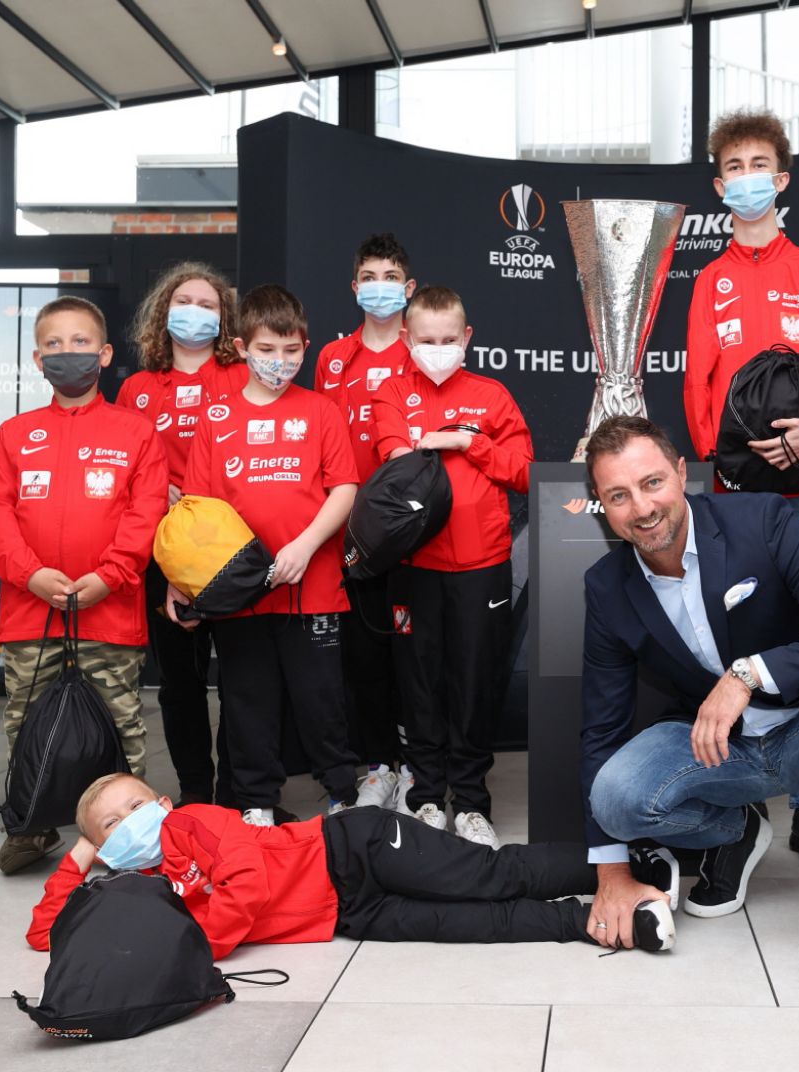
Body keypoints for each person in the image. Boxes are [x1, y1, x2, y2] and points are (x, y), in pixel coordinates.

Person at [579, 416, 799, 990]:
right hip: (719, 752)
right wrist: (610, 869)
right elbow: (601, 728)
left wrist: (748, 673)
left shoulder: (761, 520)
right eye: (619, 496)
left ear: (681, 474)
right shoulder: (607, 587)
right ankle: (737, 831)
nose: (643, 508)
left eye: (653, 483)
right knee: (615, 796)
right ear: (602, 505)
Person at [683, 108, 799, 863]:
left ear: (781, 178)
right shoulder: (710, 281)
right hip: (740, 502)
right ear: (719, 184)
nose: (747, 177)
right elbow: (698, 389)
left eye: (759, 163)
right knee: (752, 645)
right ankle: (747, 802)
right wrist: (724, 462)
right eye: (733, 166)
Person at [26, 772, 675, 956]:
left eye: (136, 805)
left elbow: (246, 885)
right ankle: (603, 921)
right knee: (475, 926)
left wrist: (195, 944)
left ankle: (625, 861)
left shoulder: (193, 822)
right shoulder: (135, 882)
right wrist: (82, 853)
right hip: (348, 913)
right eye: (114, 824)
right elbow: (47, 933)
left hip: (350, 849)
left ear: (161, 802)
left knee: (487, 876)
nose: (132, 821)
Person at [0, 296, 168, 875]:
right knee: (28, 724)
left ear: (105, 353)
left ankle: (132, 834)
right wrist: (31, 574)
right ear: (37, 359)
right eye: (54, 345)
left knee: (117, 725)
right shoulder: (14, 434)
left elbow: (146, 515)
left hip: (108, 611)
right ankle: (31, 828)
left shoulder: (136, 432)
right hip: (29, 613)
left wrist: (108, 577)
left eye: (80, 342)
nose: (68, 354)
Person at [174, 284, 360, 825]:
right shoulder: (216, 417)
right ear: (240, 347)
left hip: (313, 587)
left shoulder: (321, 411)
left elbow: (344, 488)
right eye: (267, 350)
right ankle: (255, 804)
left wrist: (304, 545)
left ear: (305, 347)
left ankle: (342, 795)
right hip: (241, 596)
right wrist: (178, 581)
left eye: (291, 351)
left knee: (321, 701)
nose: (280, 362)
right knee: (247, 702)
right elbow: (197, 510)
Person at [371, 286, 533, 849]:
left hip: (482, 565)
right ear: (406, 340)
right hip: (413, 565)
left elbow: (524, 471)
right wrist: (439, 443)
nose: (437, 349)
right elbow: (397, 460)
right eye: (425, 340)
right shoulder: (391, 392)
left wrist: (469, 443)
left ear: (466, 339)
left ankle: (470, 803)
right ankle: (424, 799)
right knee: (419, 685)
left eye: (448, 340)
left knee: (473, 685)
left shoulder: (492, 395)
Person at [117, 262, 247, 808]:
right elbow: (124, 471)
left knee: (244, 681)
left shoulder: (243, 375)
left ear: (224, 321)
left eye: (207, 305)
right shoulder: (136, 389)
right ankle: (196, 789)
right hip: (166, 558)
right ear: (162, 312)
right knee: (180, 684)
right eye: (184, 302)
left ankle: (244, 791)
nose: (194, 312)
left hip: (237, 549)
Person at [315, 234, 416, 810]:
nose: (379, 286)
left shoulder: (423, 347)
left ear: (408, 288)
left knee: (416, 656)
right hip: (350, 534)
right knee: (364, 657)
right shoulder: (332, 358)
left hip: (411, 532)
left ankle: (417, 767)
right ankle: (378, 766)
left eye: (390, 276)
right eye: (369, 276)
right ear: (355, 288)